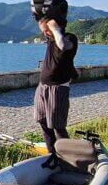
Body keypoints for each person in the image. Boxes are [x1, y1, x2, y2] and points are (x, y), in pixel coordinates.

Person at [34, 16, 79, 162]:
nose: (45, 34)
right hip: (42, 87)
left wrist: (54, 28)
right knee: (42, 121)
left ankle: (70, 159)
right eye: (43, 32)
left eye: (46, 31)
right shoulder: (51, 39)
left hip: (58, 88)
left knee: (57, 125)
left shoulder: (69, 39)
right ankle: (52, 155)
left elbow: (62, 45)